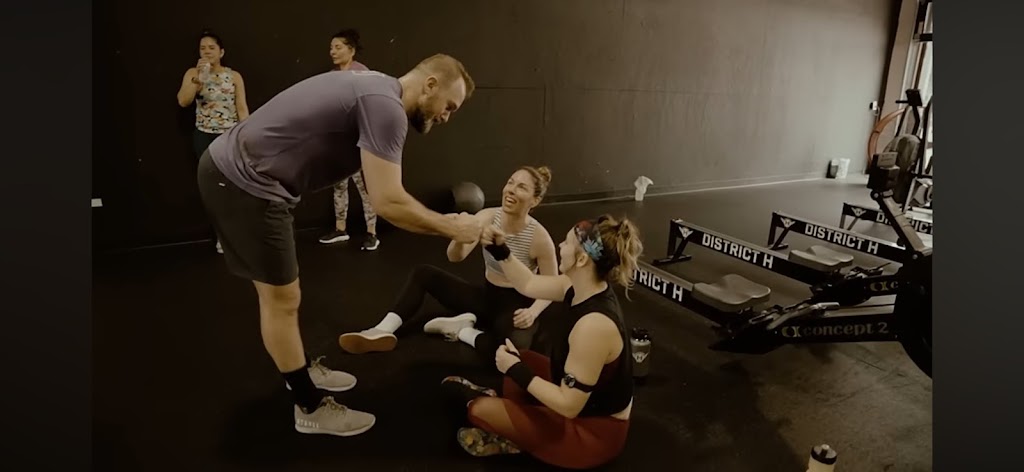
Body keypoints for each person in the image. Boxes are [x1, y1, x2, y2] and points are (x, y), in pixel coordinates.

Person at [196, 53, 481, 438]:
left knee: (283, 295)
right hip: (244, 182)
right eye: (449, 106)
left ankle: (298, 367)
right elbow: (388, 202)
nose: (446, 116)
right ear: (430, 84)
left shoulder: (376, 86)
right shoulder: (387, 108)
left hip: (241, 175)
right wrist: (453, 227)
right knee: (282, 299)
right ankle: (309, 407)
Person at [444, 214, 643, 470]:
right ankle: (520, 419)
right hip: (584, 405)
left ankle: (515, 432)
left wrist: (515, 370)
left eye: (567, 243)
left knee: (479, 410)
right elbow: (528, 284)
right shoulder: (580, 286)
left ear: (582, 259)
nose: (560, 245)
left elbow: (569, 406)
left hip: (593, 436)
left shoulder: (594, 326)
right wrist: (500, 250)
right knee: (524, 358)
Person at [338, 166, 558, 355]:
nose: (511, 189)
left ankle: (463, 331)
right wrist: (460, 233)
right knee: (424, 274)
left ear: (535, 200)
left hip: (515, 307)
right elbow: (455, 257)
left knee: (513, 351)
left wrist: (532, 312)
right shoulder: (487, 217)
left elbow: (552, 285)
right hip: (485, 297)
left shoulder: (539, 237)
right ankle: (382, 330)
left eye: (522, 187)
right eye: (510, 182)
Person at [177, 30, 250, 253]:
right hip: (204, 136)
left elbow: (241, 107)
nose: (207, 51)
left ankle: (239, 233)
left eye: (211, 48)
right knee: (214, 188)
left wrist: (247, 135)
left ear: (221, 52)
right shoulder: (193, 73)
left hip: (229, 136)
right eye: (203, 48)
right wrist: (198, 78)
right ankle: (222, 237)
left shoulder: (234, 76)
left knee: (234, 185)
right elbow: (183, 101)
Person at [319, 29, 380, 251]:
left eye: (338, 47)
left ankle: (372, 233)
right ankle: (340, 229)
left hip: (360, 140)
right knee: (339, 185)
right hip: (339, 140)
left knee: (365, 187)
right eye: (331, 48)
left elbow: (370, 106)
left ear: (351, 50)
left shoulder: (362, 74)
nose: (332, 52)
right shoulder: (332, 75)